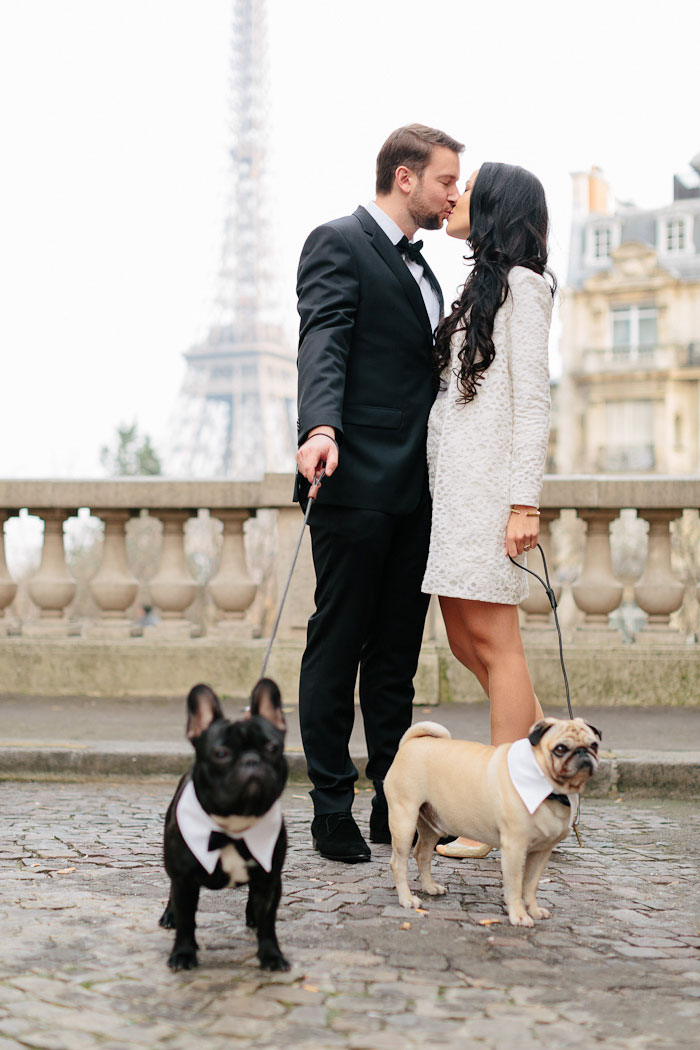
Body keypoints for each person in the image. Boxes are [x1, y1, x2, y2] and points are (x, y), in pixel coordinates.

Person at [295, 124, 464, 862]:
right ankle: (331, 807)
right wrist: (320, 426)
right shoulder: (337, 242)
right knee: (338, 646)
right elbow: (323, 337)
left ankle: (390, 804)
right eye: (444, 181)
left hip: (420, 491)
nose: (453, 194)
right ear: (405, 177)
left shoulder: (429, 268)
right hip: (355, 479)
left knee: (396, 657)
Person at [422, 162, 555, 859]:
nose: (457, 195)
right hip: (456, 493)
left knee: (499, 650)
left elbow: (532, 399)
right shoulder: (484, 286)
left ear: (497, 204)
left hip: (491, 495)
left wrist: (523, 502)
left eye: (469, 185)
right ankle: (549, 784)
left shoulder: (527, 289)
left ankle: (502, 814)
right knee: (466, 643)